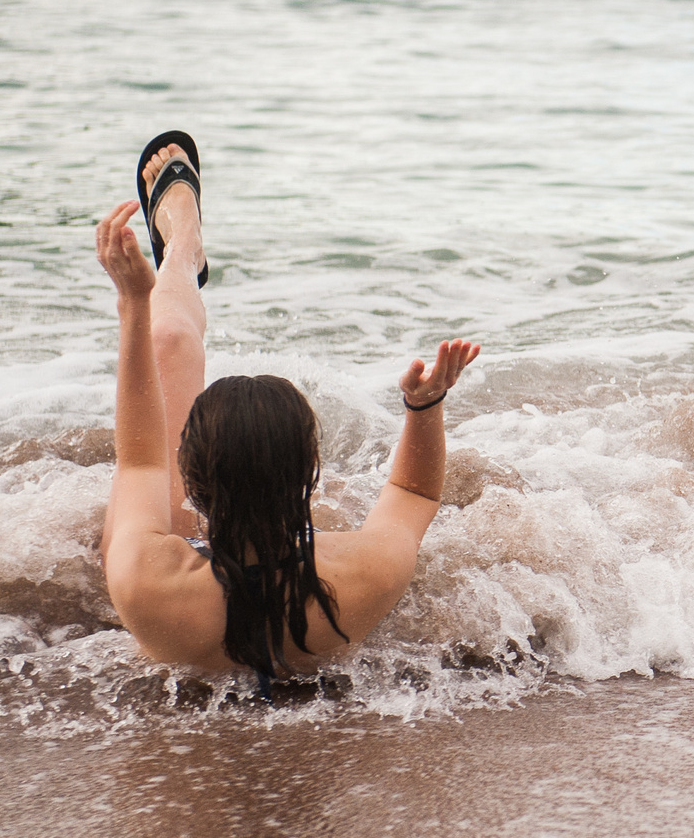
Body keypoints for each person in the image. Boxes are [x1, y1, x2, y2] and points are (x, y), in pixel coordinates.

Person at [93, 132, 478, 683]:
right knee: (172, 341)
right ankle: (184, 249)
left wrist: (133, 304)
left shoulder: (144, 579)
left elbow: (139, 461)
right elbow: (415, 492)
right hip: (297, 590)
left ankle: (181, 251)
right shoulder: (361, 575)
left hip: (184, 600)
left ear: (189, 478)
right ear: (310, 475)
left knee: (166, 341)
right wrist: (425, 406)